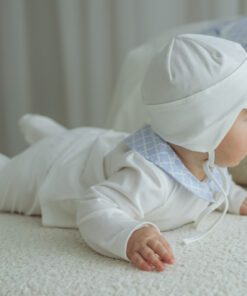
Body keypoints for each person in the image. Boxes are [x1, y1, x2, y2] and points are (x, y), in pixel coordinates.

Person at [1, 34, 247, 273]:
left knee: (69, 140)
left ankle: (49, 132)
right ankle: (42, 140)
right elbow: (94, 207)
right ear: (204, 129)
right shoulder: (149, 178)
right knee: (9, 178)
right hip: (56, 169)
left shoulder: (209, 160)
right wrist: (130, 235)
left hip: (97, 144)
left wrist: (236, 198)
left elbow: (218, 186)